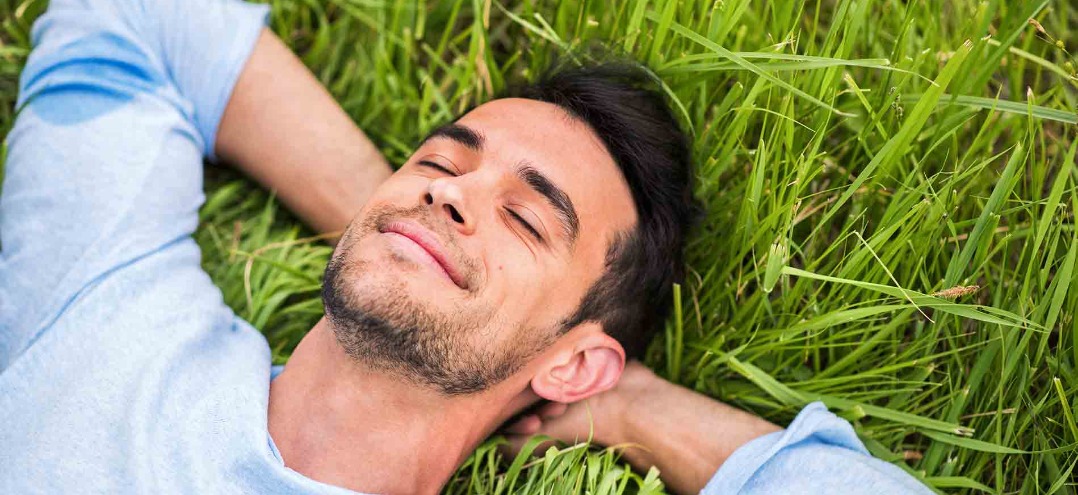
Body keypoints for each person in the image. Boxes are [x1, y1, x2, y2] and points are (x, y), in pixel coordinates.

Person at [0, 0, 933, 493]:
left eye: (528, 219)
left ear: (574, 361)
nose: (450, 190)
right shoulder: (109, 312)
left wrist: (639, 410)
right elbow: (139, 14)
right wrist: (392, 221)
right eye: (441, 159)